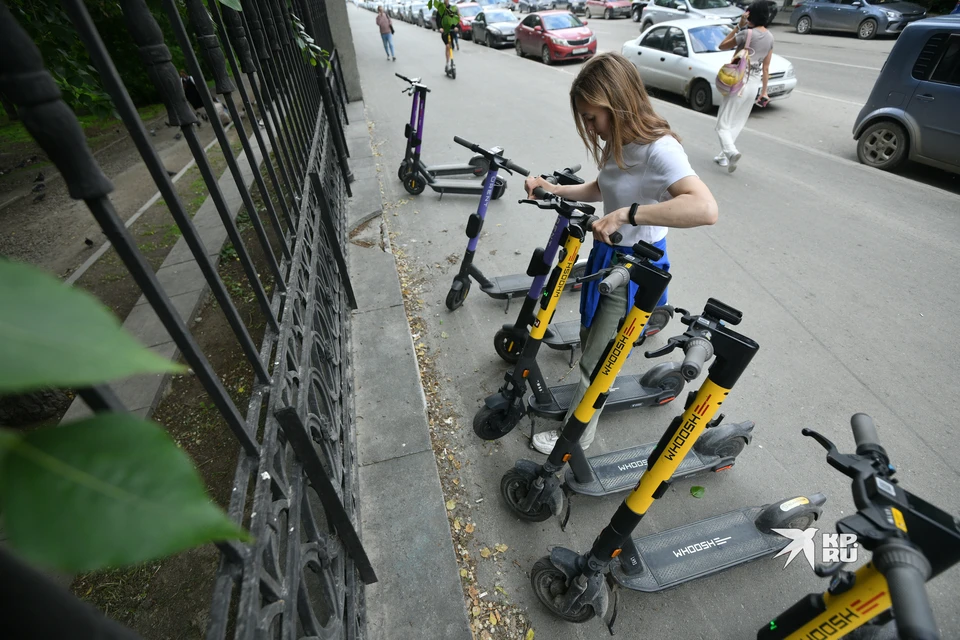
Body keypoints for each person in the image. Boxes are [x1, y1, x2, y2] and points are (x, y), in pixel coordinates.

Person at [523, 52, 719, 455]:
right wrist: (554, 189)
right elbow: (604, 187)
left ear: (616, 103)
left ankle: (576, 437)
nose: (591, 129)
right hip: (607, 259)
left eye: (592, 118)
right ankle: (581, 411)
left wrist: (629, 214)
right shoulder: (622, 143)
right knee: (589, 336)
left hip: (634, 268)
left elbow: (705, 208)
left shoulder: (659, 149)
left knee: (597, 359)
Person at [714, 0, 774, 172]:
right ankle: (724, 157)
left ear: (750, 14)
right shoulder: (770, 37)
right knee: (737, 122)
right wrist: (764, 92)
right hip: (754, 85)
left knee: (722, 124)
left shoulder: (746, 34)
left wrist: (739, 27)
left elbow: (722, 45)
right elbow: (766, 67)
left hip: (738, 83)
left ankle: (731, 152)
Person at [436, 0, 461, 71]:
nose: (446, 1)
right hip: (444, 31)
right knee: (447, 45)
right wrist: (440, 27)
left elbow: (456, 18)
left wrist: (456, 27)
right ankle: (447, 62)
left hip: (451, 30)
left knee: (450, 46)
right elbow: (438, 20)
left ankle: (451, 62)